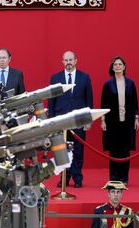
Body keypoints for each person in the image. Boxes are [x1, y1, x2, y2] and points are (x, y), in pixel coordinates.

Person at [48, 50, 93, 188]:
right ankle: (64, 179)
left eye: (71, 60)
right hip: (61, 121)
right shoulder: (55, 78)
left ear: (76, 61)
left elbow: (89, 100)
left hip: (79, 120)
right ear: (62, 62)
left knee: (78, 151)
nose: (68, 62)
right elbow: (51, 101)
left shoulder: (84, 77)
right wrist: (51, 121)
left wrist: (89, 120)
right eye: (66, 60)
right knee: (62, 151)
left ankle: (78, 178)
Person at [100, 56, 139, 184]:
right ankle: (114, 177)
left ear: (124, 67)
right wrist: (103, 120)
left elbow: (134, 102)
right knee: (114, 149)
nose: (117, 66)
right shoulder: (108, 84)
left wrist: (136, 119)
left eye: (120, 64)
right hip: (112, 121)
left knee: (125, 150)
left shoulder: (130, 83)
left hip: (127, 121)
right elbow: (103, 104)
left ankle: (124, 178)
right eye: (115, 64)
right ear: (112, 67)